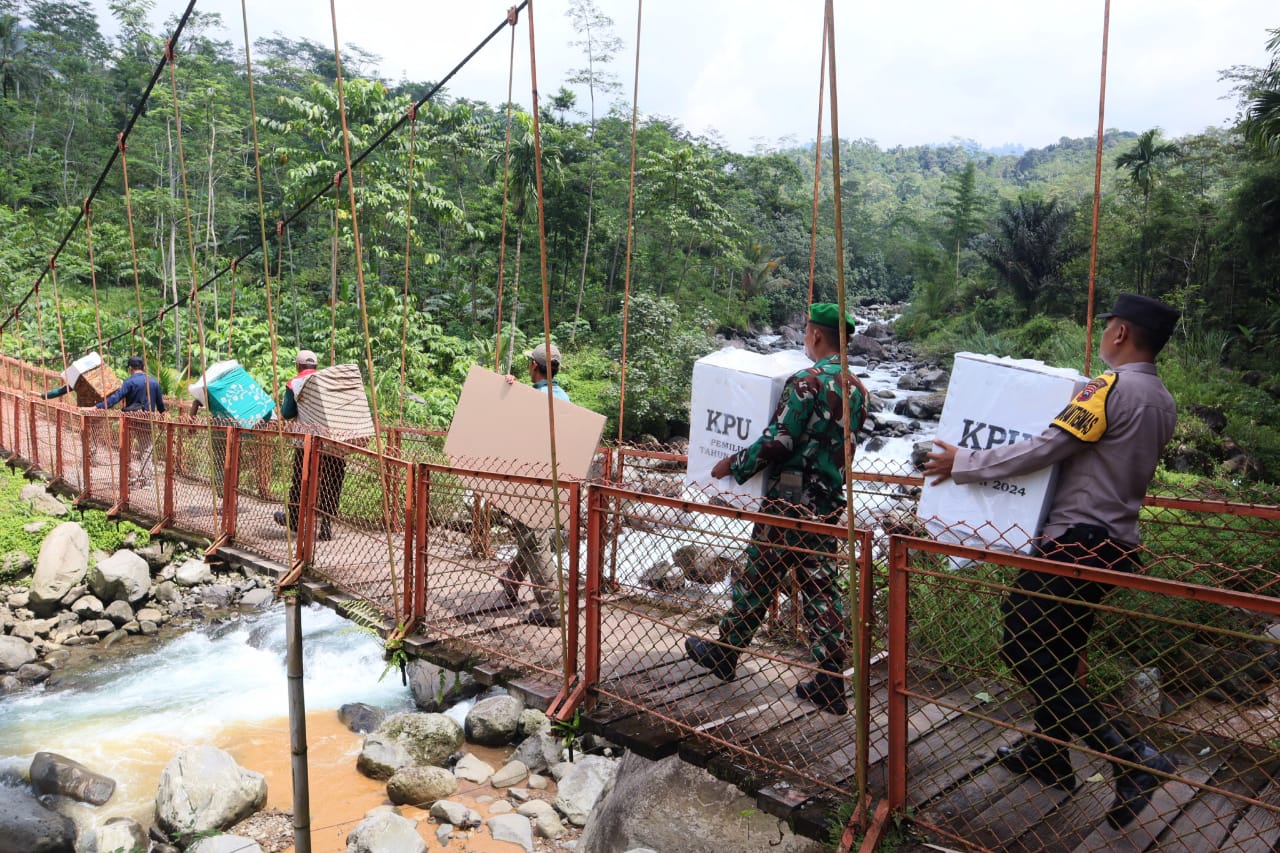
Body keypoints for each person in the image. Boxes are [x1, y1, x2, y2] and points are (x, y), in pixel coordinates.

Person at [921, 293, 1180, 830]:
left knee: (1023, 645)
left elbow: (1046, 446)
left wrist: (962, 461)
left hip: (1074, 541)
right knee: (1056, 651)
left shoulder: (1107, 388)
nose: (1105, 332)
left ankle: (1133, 760)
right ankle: (1049, 755)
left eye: (1108, 325)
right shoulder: (1162, 399)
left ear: (1122, 333)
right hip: (1116, 544)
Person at [685, 303, 868, 715]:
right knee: (821, 587)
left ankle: (725, 651)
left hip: (790, 501)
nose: (805, 338)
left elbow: (779, 442)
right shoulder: (858, 389)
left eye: (806, 332)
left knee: (758, 575)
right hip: (826, 504)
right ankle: (829, 680)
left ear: (816, 335)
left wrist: (734, 463)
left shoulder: (805, 382)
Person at [497, 342, 570, 627]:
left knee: (534, 540)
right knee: (533, 535)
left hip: (529, 479)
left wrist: (506, 391)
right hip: (555, 479)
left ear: (534, 367)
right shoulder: (563, 396)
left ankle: (552, 611)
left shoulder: (531, 398)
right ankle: (511, 579)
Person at [273, 349, 346, 541]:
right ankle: (327, 524)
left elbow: (287, 413)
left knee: (301, 481)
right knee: (332, 484)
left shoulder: (295, 384)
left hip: (308, 443)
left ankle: (295, 519)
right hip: (336, 442)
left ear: (298, 366)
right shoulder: (331, 382)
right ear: (316, 366)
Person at [91, 355, 165, 486]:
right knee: (146, 449)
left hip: (130, 419)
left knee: (125, 448)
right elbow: (161, 406)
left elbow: (116, 398)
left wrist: (98, 407)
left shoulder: (130, 382)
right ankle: (146, 479)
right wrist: (163, 420)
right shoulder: (154, 382)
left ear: (130, 368)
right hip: (148, 418)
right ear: (143, 367)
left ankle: (129, 475)